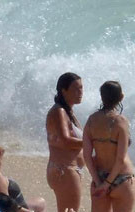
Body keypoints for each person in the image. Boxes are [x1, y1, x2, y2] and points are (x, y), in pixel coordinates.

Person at [83, 81, 135, 212]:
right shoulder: (121, 121)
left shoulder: (91, 120)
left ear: (102, 97)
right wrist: (108, 184)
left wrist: (99, 182)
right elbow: (120, 159)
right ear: (121, 97)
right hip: (122, 179)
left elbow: (87, 156)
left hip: (99, 177)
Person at [46, 72, 85, 212]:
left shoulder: (68, 111)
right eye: (76, 88)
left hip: (66, 169)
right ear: (64, 90)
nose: (80, 92)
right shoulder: (59, 112)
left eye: (81, 88)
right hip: (64, 170)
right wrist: (91, 141)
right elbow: (66, 140)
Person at [0, 144, 45, 212]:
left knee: (40, 201)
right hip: (18, 209)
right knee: (41, 203)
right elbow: (6, 204)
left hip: (17, 205)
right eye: (1, 159)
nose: (1, 163)